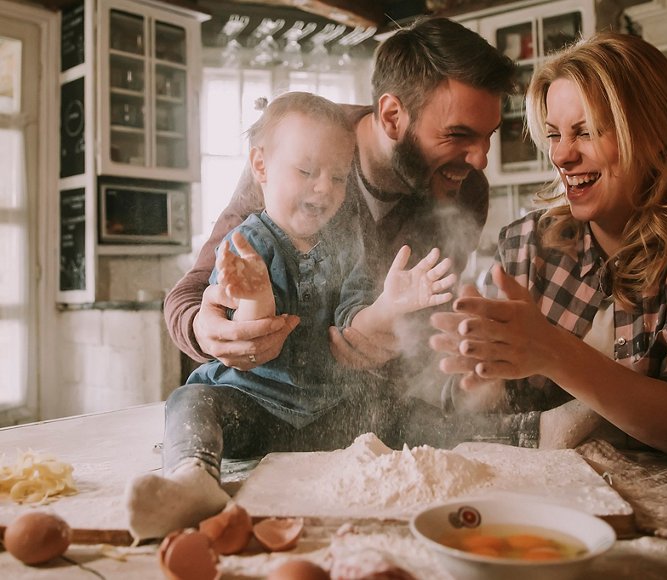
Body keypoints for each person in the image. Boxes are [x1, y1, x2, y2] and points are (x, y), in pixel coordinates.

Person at [162, 18, 520, 442]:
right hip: (265, 401)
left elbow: (421, 326)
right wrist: (207, 330)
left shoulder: (466, 191)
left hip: (353, 408)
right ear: (391, 115)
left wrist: (393, 335)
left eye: (488, 136)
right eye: (458, 135)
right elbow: (190, 294)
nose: (480, 159)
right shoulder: (301, 149)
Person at [126, 92, 459, 541]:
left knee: (402, 408)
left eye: (339, 177)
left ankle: (518, 431)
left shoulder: (347, 244)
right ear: (260, 167)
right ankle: (195, 478)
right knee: (190, 401)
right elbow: (251, 336)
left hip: (331, 413)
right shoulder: (246, 244)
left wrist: (388, 308)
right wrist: (257, 296)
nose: (324, 188)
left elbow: (352, 325)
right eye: (306, 171)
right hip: (254, 408)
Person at [429, 32, 667, 465]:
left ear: (654, 135)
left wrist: (552, 350)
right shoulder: (528, 245)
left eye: (586, 131)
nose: (562, 155)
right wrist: (477, 377)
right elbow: (468, 421)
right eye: (554, 134)